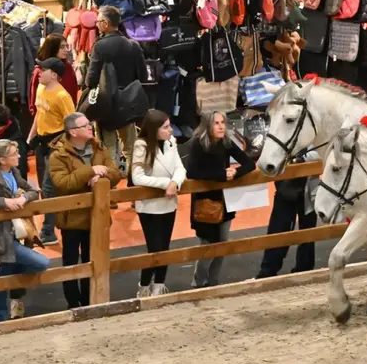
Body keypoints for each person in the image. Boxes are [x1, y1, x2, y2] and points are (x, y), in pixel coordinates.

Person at [48, 112, 122, 309]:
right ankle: (73, 303)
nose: (90, 127)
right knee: (71, 263)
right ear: (73, 131)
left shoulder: (99, 147)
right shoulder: (58, 155)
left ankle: (92, 300)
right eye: (85, 125)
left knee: (95, 258)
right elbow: (63, 183)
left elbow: (115, 173)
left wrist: (102, 176)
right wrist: (91, 170)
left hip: (97, 216)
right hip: (71, 219)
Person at [0, 139, 47, 323]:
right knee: (41, 263)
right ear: (2, 159)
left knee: (4, 272)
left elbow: (32, 190)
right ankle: (0, 312)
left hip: (13, 233)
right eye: (14, 154)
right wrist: (3, 202)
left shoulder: (14, 172)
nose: (19, 156)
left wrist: (23, 199)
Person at [184, 111, 257, 288]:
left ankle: (213, 281)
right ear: (208, 125)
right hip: (204, 201)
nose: (221, 126)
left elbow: (249, 163)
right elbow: (192, 172)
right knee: (207, 245)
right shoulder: (197, 144)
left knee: (222, 244)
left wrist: (235, 172)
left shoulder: (226, 142)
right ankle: (198, 283)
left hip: (225, 200)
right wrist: (221, 175)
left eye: (223, 122)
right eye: (216, 123)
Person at [130, 110, 186, 297]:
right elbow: (137, 177)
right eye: (165, 127)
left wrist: (175, 183)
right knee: (154, 249)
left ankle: (159, 285)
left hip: (169, 203)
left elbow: (180, 168)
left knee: (165, 247)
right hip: (149, 206)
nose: (170, 130)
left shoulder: (171, 143)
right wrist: (165, 185)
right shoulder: (141, 146)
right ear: (154, 130)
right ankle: (144, 286)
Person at [86, 5, 146, 171]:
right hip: (129, 103)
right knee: (131, 148)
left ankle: (109, 190)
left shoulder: (99, 46)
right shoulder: (132, 45)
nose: (96, 24)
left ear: (105, 23)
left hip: (107, 104)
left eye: (98, 21)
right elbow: (143, 75)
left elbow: (91, 78)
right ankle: (135, 184)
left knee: (108, 150)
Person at [28, 57, 76, 244]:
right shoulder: (41, 88)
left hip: (56, 146)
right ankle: (51, 227)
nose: (39, 72)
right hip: (42, 143)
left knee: (49, 188)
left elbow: (72, 125)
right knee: (44, 187)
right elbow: (40, 114)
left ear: (54, 75)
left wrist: (63, 148)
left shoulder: (62, 97)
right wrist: (30, 138)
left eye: (44, 69)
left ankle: (48, 231)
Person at [257, 151, 319, 279]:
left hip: (308, 190)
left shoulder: (313, 134)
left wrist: (301, 159)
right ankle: (268, 270)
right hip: (285, 189)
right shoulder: (283, 132)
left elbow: (320, 152)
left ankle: (305, 268)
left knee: (308, 232)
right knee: (277, 230)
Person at [28, 34, 79, 118]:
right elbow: (34, 101)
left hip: (67, 117)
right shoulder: (40, 70)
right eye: (62, 47)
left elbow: (73, 92)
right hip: (45, 120)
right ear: (52, 48)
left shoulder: (67, 67)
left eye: (66, 46)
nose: (66, 50)